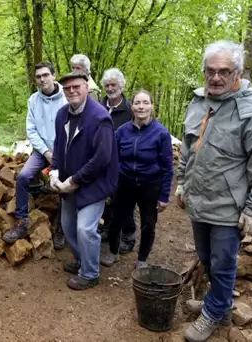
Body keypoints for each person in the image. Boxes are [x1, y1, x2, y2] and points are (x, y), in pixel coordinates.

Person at [176, 40, 252, 342]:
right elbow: (188, 149)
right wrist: (182, 182)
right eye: (210, 71)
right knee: (206, 258)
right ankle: (217, 305)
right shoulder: (198, 103)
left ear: (237, 72)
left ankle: (214, 312)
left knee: (222, 264)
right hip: (199, 201)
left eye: (224, 71)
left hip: (228, 207)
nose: (216, 78)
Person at [50, 71, 118, 290]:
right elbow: (59, 147)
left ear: (86, 87)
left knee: (85, 229)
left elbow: (102, 159)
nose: (72, 91)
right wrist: (54, 171)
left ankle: (90, 273)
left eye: (76, 86)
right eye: (67, 88)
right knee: (67, 225)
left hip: (94, 183)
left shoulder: (100, 118)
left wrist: (74, 181)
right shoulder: (62, 115)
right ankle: (82, 259)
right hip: (69, 181)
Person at [100, 89, 173, 268]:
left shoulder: (161, 133)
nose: (141, 107)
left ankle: (142, 260)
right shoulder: (122, 131)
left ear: (152, 106)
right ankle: (113, 252)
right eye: (137, 103)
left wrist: (164, 196)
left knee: (148, 224)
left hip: (150, 185)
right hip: (124, 183)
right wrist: (111, 184)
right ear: (131, 107)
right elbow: (113, 160)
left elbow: (167, 167)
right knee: (116, 220)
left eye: (145, 103)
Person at [2, 62, 68, 245]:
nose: (42, 79)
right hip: (42, 151)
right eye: (38, 76)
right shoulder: (33, 100)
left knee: (64, 184)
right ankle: (22, 221)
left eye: (45, 75)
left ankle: (61, 227)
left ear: (54, 75)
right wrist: (46, 152)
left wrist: (59, 153)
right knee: (23, 176)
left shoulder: (67, 98)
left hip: (65, 151)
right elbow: (31, 130)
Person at [98, 68, 135, 250]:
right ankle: (108, 227)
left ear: (121, 85)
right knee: (105, 197)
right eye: (107, 85)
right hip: (101, 161)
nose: (110, 88)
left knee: (124, 200)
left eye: (114, 84)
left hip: (123, 162)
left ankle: (128, 236)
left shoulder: (130, 110)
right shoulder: (98, 107)